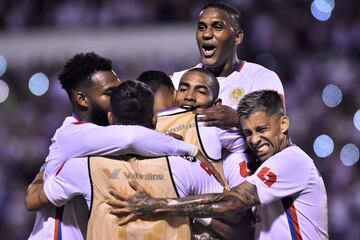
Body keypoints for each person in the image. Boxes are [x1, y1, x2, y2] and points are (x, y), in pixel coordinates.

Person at [107, 90, 329, 240]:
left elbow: (232, 202)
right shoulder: (268, 166)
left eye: (261, 130)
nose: (254, 140)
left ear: (283, 123)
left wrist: (154, 205)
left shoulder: (291, 160)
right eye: (247, 133)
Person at [26, 53, 200, 240]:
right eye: (110, 93)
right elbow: (131, 137)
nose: (119, 98)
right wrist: (187, 148)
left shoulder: (99, 136)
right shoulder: (74, 133)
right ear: (82, 99)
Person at [140, 68, 253, 239]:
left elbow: (252, 137)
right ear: (174, 95)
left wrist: (237, 120)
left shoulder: (211, 126)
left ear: (217, 106)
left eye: (200, 91)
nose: (189, 96)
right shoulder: (151, 127)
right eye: (184, 89)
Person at [170, 1, 285, 129]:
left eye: (217, 27)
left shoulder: (262, 79)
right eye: (202, 27)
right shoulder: (175, 81)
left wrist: (238, 119)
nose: (206, 34)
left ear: (237, 37)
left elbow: (278, 129)